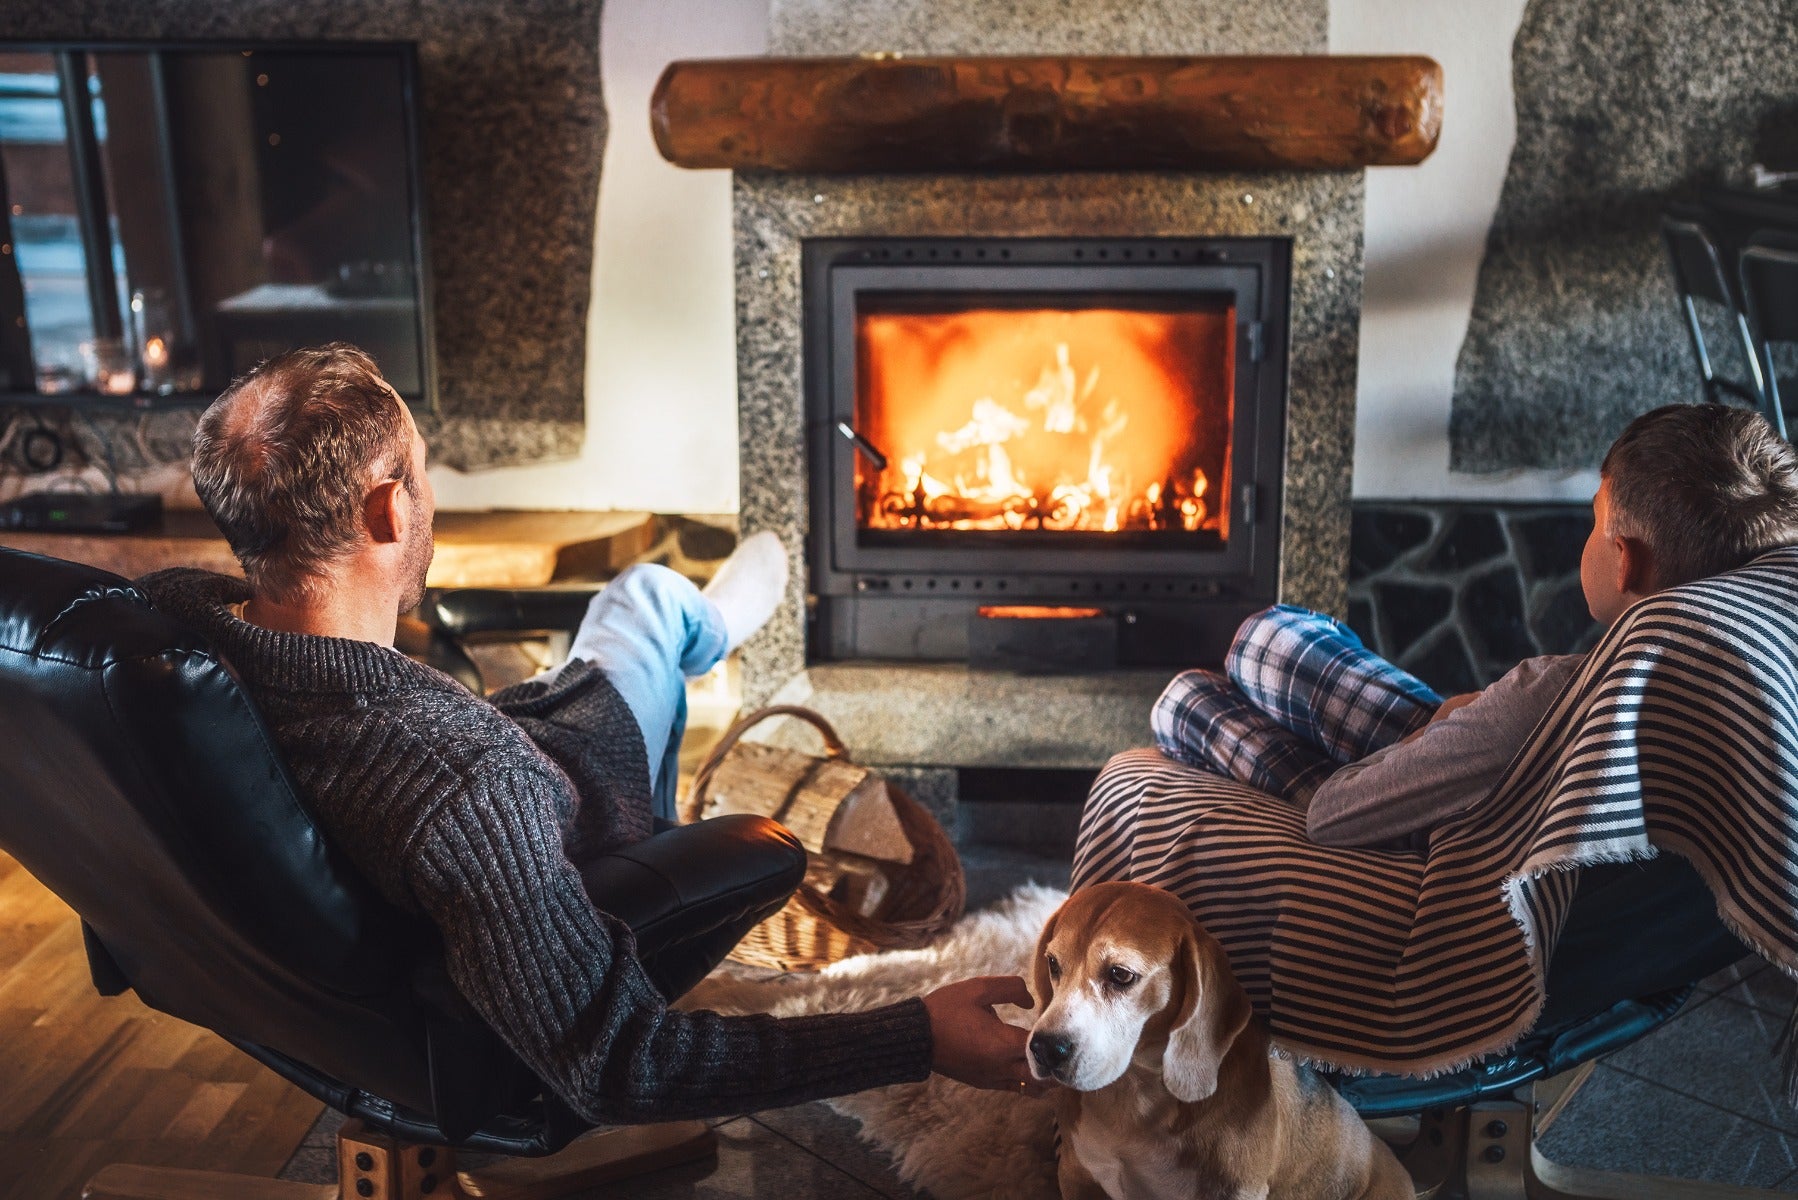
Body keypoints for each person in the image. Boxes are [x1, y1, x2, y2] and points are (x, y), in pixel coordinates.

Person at [138, 343, 1040, 1126]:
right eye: (422, 472)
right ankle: (704, 630)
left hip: (488, 759)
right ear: (386, 514)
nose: (430, 499)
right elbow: (620, 1065)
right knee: (639, 605)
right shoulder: (463, 787)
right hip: (579, 807)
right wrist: (917, 1033)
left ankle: (698, 628)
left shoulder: (164, 633)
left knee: (629, 612)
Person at [1153, 402, 1798, 852]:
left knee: (1196, 689)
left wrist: (1450, 736)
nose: (1587, 539)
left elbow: (1332, 815)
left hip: (1425, 824)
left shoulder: (1548, 702)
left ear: (1625, 561)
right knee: (1261, 645)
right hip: (1488, 770)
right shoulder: (1757, 675)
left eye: (1593, 520)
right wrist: (1465, 722)